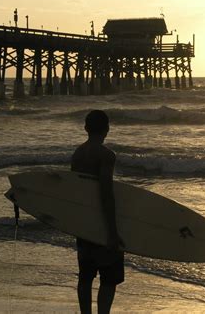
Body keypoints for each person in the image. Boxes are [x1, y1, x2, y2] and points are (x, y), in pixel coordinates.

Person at [71, 110, 124, 314]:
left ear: (86, 128)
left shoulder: (78, 153)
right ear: (107, 129)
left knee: (85, 275)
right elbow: (106, 194)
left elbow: (76, 191)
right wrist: (112, 232)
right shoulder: (107, 155)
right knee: (109, 278)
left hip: (84, 223)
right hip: (101, 224)